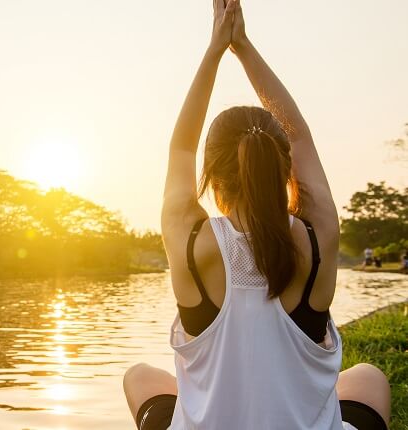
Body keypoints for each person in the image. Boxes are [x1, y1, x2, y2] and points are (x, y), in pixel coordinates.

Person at [122, 1, 391, 429]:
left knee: (139, 377)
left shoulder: (192, 244)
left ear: (211, 175)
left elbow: (181, 149)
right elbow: (299, 135)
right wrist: (243, 47)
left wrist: (215, 51)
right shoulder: (317, 237)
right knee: (368, 378)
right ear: (285, 170)